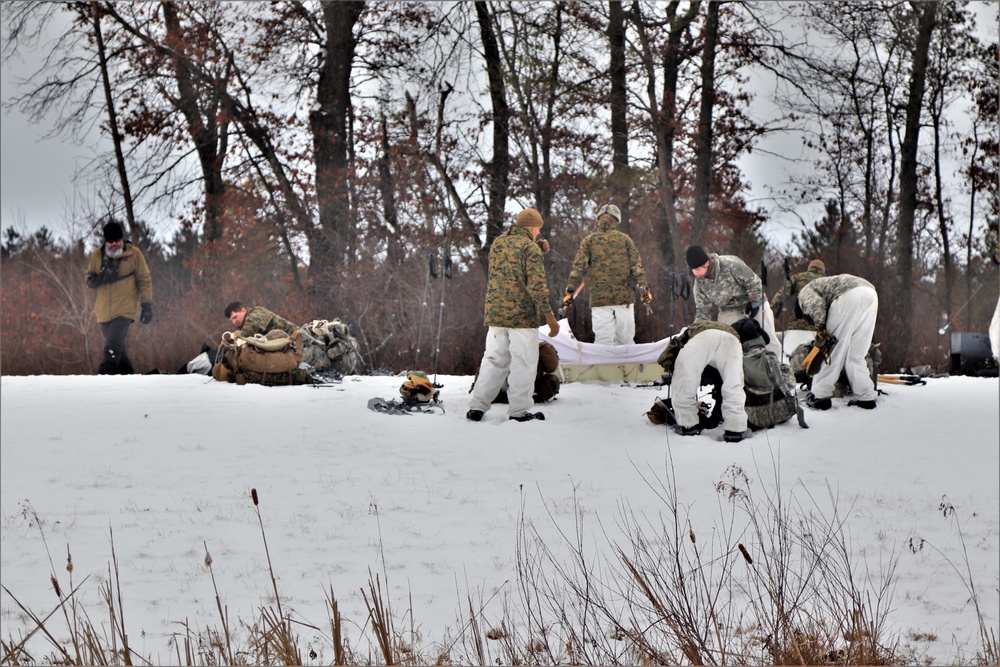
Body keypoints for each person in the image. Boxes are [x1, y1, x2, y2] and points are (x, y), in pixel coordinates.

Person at [467, 208, 560, 422]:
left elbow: (511, 265)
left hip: (497, 314)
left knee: (493, 360)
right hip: (521, 316)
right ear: (532, 227)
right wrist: (549, 315)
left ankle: (477, 407)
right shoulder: (530, 248)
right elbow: (536, 284)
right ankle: (518, 411)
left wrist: (536, 248)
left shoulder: (499, 243)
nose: (538, 234)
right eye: (537, 230)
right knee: (524, 361)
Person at [564, 204, 652, 345]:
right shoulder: (625, 240)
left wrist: (570, 290)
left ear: (599, 219)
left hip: (600, 299)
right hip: (624, 299)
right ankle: (627, 366)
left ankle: (604, 366)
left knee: (603, 342)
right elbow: (637, 267)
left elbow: (578, 268)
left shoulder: (589, 241)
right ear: (616, 220)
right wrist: (644, 289)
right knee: (626, 341)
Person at [796, 274, 879, 410]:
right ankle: (866, 397)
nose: (805, 322)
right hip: (870, 294)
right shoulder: (821, 287)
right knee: (856, 354)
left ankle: (820, 396)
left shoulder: (804, 294)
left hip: (848, 295)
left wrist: (821, 331)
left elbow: (817, 308)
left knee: (831, 351)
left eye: (804, 320)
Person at [686, 245, 781, 358]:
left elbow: (754, 283)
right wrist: (697, 330)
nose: (696, 273)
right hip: (729, 310)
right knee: (727, 342)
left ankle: (777, 367)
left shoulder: (730, 264)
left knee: (768, 337)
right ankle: (742, 370)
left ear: (706, 263)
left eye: (698, 269)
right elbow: (703, 310)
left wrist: (754, 302)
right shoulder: (699, 283)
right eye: (693, 270)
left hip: (753, 302)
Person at [85, 220, 154, 374]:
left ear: (122, 239)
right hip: (103, 312)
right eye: (110, 242)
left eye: (117, 241)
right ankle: (128, 375)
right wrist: (102, 277)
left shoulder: (134, 254)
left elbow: (144, 280)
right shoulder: (98, 255)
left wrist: (147, 305)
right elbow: (89, 280)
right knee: (118, 349)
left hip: (125, 309)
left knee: (112, 346)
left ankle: (105, 374)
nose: (114, 244)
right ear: (105, 242)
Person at [664, 321, 750, 442]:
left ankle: (689, 424)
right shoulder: (702, 327)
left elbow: (678, 365)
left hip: (704, 338)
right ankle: (735, 428)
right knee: (733, 384)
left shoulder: (681, 341)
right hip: (732, 339)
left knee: (685, 380)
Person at [771, 258, 826, 330]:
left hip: (797, 325)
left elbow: (780, 297)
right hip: (819, 328)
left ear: (810, 267)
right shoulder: (828, 282)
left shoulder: (798, 277)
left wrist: (770, 316)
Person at [224, 302, 299, 336]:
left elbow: (246, 333)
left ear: (243, 311)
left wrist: (234, 337)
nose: (234, 321)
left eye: (235, 317)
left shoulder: (256, 314)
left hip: (300, 339)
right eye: (232, 320)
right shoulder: (242, 325)